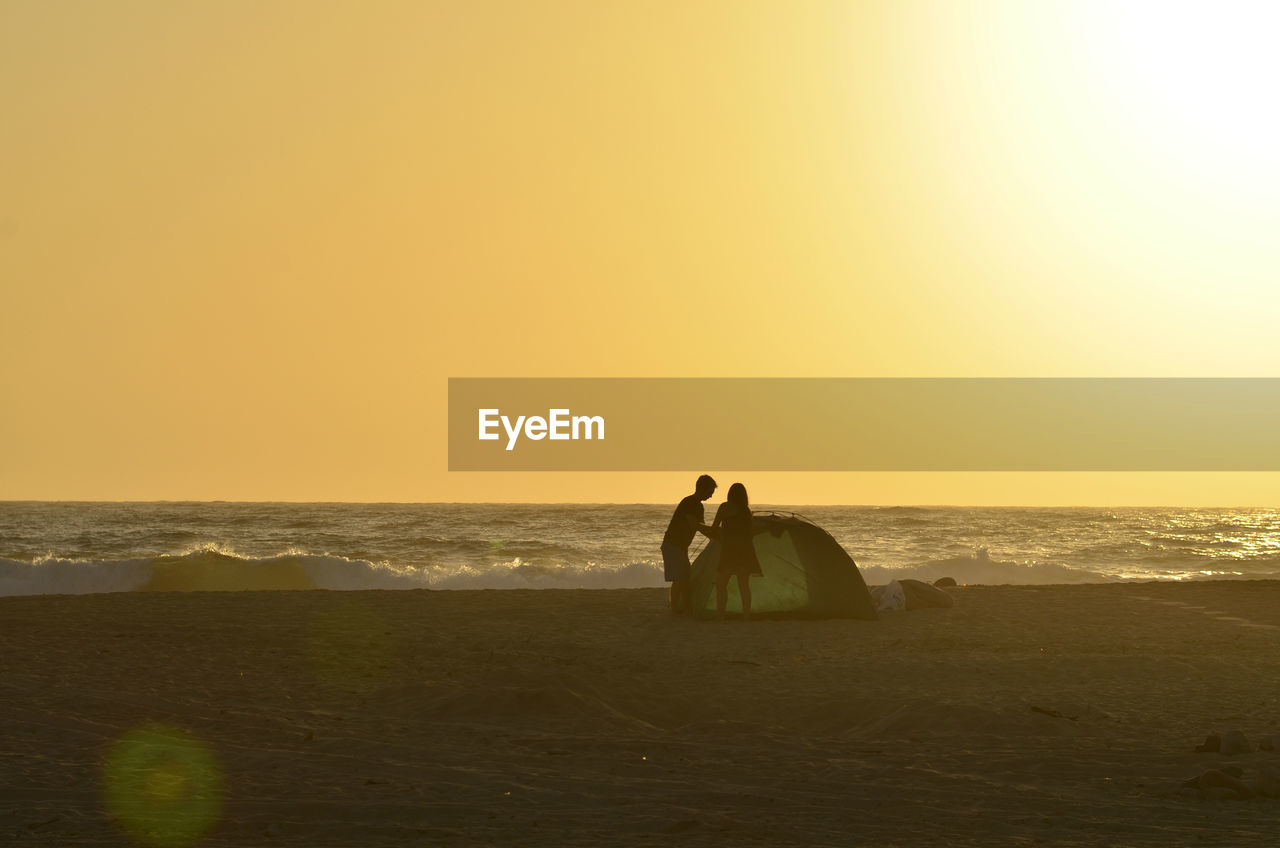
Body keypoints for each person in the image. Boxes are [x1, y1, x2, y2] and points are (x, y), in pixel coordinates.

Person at [661, 474, 717, 615]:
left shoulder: (697, 505)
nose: (711, 496)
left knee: (682, 577)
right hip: (673, 544)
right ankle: (680, 608)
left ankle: (679, 607)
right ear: (702, 489)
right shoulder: (690, 503)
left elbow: (700, 526)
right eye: (710, 492)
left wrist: (713, 535)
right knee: (681, 578)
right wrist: (715, 535)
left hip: (679, 546)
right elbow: (695, 525)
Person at [711, 482, 762, 621]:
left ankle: (720, 616)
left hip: (730, 550)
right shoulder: (747, 512)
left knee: (721, 584)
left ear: (730, 494)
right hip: (746, 550)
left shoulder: (725, 507)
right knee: (744, 585)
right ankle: (746, 617)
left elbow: (715, 527)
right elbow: (750, 534)